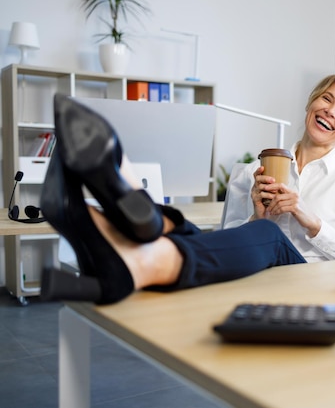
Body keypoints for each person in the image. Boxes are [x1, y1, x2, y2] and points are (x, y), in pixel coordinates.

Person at [39, 94, 306, 305]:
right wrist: (257, 216)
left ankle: (150, 236)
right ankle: (146, 241)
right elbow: (228, 235)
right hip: (258, 263)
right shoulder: (254, 170)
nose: (331, 111)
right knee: (245, 230)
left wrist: (309, 219)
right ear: (310, 107)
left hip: (318, 278)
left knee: (270, 235)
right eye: (327, 99)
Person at [223, 74, 335, 262]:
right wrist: (257, 221)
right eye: (326, 98)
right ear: (310, 103)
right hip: (260, 282)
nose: (331, 111)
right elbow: (226, 246)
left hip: (315, 286)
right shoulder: (252, 174)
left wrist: (316, 225)